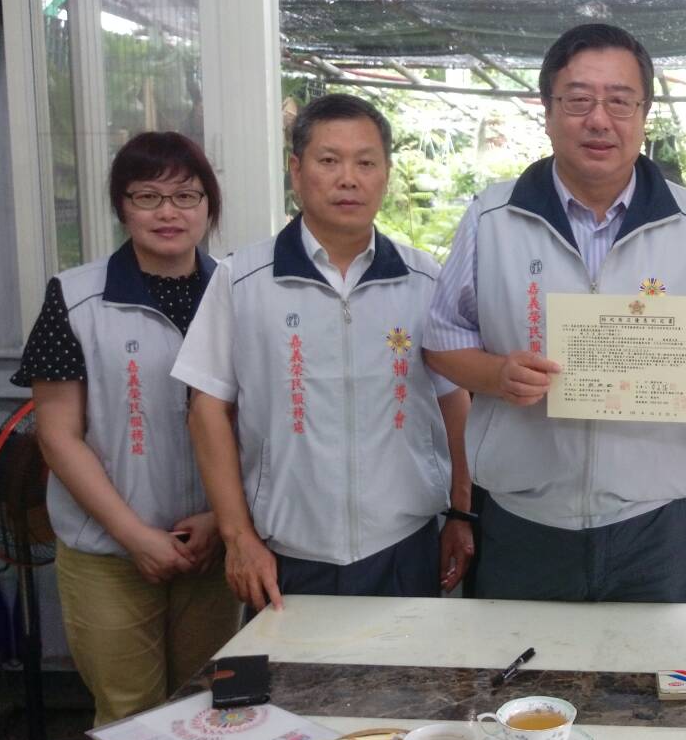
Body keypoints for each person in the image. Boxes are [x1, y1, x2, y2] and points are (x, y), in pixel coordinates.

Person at [423, 22, 686, 603]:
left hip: (653, 517)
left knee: (653, 685)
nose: (599, 119)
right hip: (527, 516)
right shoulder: (492, 218)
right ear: (548, 111)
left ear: (644, 113)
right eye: (578, 100)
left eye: (620, 101)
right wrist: (497, 375)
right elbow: (441, 338)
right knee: (525, 683)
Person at [173, 94, 473, 611]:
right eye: (329, 161)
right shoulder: (241, 279)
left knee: (406, 690)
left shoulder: (424, 280)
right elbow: (207, 411)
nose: (349, 179)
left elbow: (454, 402)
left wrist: (462, 513)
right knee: (290, 693)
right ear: (296, 170)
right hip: (286, 552)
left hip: (404, 545)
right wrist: (238, 537)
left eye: (366, 162)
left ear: (386, 172)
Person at [13, 131, 239, 740]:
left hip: (211, 549)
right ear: (122, 207)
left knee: (210, 713)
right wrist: (135, 535)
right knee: (129, 724)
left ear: (208, 205)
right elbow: (58, 437)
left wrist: (221, 519)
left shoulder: (241, 292)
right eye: (148, 196)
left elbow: (260, 422)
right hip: (108, 552)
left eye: (187, 195)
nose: (169, 212)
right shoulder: (76, 296)